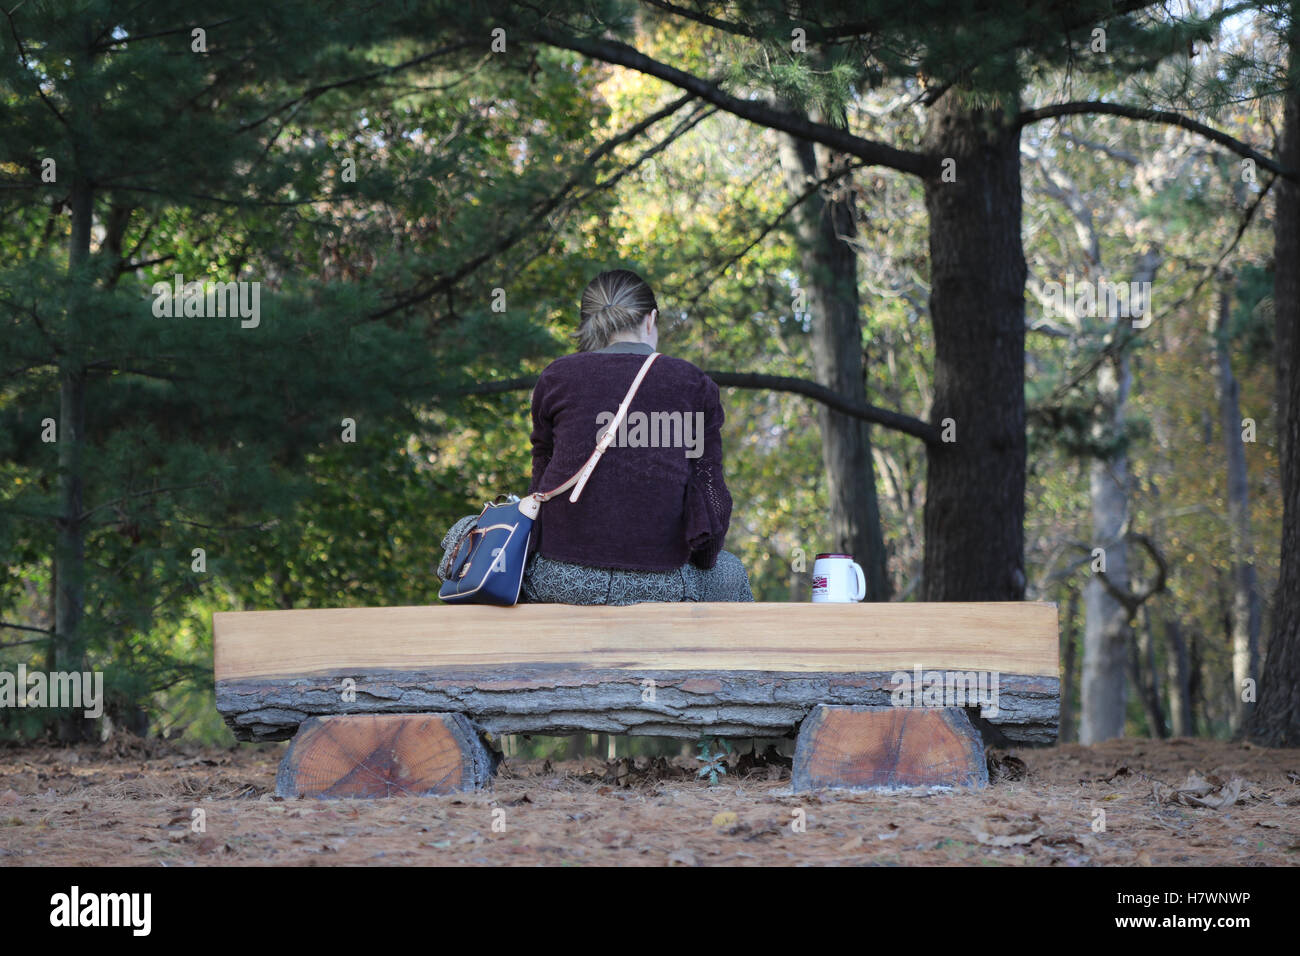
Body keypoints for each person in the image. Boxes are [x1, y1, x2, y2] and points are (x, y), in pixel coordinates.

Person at [440, 268, 753, 605]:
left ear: (589, 323)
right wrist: (703, 559)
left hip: (561, 579)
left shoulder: (556, 377)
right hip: (662, 583)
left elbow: (540, 487)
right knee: (731, 571)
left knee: (467, 537)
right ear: (651, 320)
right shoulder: (692, 383)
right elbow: (711, 497)